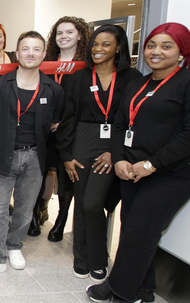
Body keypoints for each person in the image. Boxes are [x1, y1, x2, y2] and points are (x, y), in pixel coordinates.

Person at [87, 23, 190, 303]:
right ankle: (144, 287)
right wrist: (120, 158)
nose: (156, 52)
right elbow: (121, 123)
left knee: (139, 229)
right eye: (151, 45)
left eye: (166, 46)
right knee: (135, 227)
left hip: (172, 173)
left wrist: (151, 164)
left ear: (182, 53)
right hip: (132, 171)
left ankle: (121, 288)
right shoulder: (139, 84)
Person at [56, 25, 142, 282]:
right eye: (95, 44)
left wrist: (116, 154)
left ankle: (99, 257)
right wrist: (66, 155)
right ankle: (82, 259)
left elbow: (133, 120)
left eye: (106, 44)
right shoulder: (78, 78)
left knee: (94, 203)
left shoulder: (132, 79)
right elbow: (67, 119)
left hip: (114, 142)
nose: (98, 49)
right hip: (82, 139)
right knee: (82, 203)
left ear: (119, 48)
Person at [0, 31, 64, 281]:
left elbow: (55, 122)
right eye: (25, 49)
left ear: (44, 54)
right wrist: (5, 132)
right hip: (4, 155)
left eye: (37, 49)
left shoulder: (53, 89)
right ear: (17, 52)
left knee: (25, 210)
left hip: (36, 157)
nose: (31, 54)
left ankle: (14, 246)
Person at [35, 16, 91, 240]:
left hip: (73, 131)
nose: (64, 37)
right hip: (45, 129)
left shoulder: (86, 66)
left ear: (80, 35)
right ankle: (37, 211)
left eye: (69, 32)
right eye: (59, 33)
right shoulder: (47, 62)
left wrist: (63, 121)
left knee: (68, 177)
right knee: (39, 173)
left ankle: (62, 219)